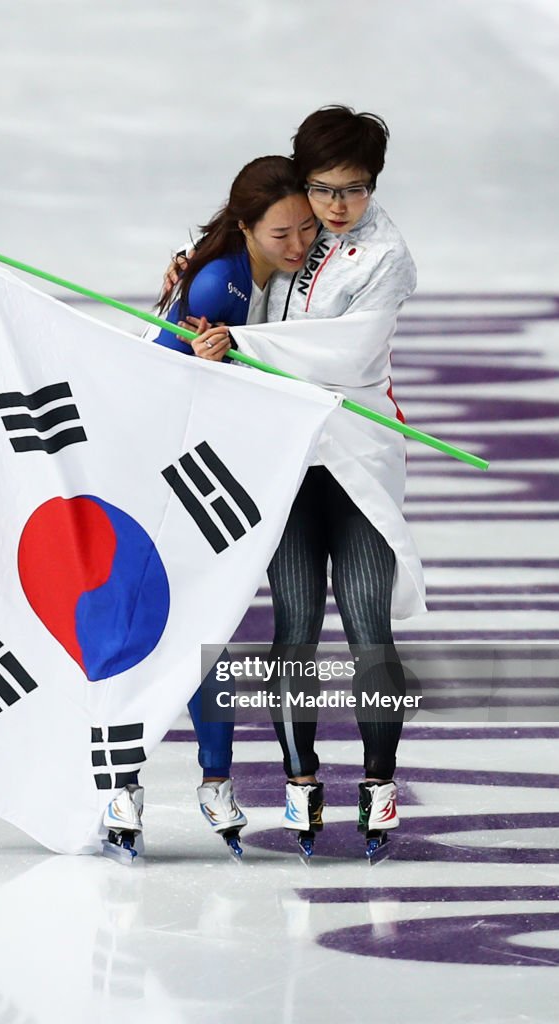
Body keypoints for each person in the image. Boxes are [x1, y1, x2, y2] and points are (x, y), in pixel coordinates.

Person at [184, 105, 426, 860]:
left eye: (353, 191)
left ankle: (379, 789)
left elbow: (348, 357)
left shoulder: (385, 257)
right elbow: (226, 269)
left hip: (355, 458)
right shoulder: (293, 227)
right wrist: (187, 291)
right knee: (292, 629)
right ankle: (300, 784)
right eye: (322, 189)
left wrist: (243, 344)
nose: (334, 207)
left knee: (366, 631)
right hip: (288, 458)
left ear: (373, 187)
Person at [102, 156, 318, 859]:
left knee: (208, 627)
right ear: (247, 226)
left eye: (306, 231)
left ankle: (209, 780)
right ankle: (124, 787)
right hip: (162, 475)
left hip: (199, 472)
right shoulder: (217, 283)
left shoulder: (238, 270)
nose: (297, 246)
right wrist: (217, 361)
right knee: (152, 629)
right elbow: (170, 381)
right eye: (282, 233)